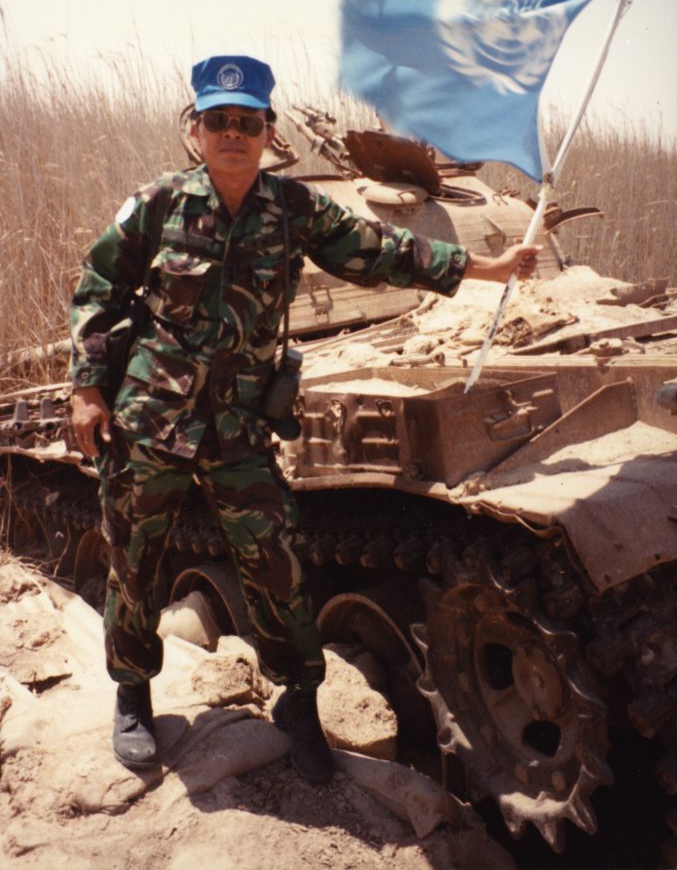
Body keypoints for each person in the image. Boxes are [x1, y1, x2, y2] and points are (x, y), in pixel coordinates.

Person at [70, 54, 540, 785]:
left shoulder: (292, 210)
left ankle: (298, 704)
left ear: (267, 131)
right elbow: (98, 286)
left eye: (247, 121)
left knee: (277, 566)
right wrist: (87, 390)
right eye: (218, 120)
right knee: (135, 561)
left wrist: (483, 268)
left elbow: (381, 251)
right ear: (194, 131)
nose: (232, 132)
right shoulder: (157, 205)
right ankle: (132, 695)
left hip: (238, 430)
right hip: (151, 420)